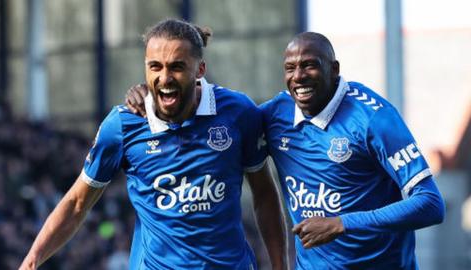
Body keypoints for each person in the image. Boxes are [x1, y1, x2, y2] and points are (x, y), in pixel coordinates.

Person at [126, 31, 446, 269]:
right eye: (290, 68)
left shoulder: (374, 118)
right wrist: (152, 97)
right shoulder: (274, 116)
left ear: (334, 69)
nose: (298, 76)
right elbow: (211, 120)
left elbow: (431, 204)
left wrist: (342, 223)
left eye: (310, 65)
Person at [19, 19, 286, 270]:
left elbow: (264, 194)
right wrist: (30, 262)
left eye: (177, 67)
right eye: (155, 66)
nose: (165, 77)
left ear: (200, 70)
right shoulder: (123, 125)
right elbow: (78, 203)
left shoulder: (238, 112)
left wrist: (279, 265)